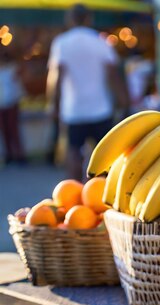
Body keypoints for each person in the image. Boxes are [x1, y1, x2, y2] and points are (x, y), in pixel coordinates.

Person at [47, 4, 128, 181]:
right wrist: (124, 101)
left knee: (73, 152)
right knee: (105, 157)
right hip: (100, 108)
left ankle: (75, 192)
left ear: (70, 19)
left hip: (73, 110)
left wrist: (53, 104)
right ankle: (102, 193)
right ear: (89, 18)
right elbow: (113, 75)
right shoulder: (100, 42)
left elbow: (57, 77)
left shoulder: (62, 43)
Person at [0, 46, 26, 165]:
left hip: (11, 103)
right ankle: (10, 154)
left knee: (13, 130)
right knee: (5, 130)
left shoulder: (13, 69)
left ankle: (19, 155)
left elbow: (18, 86)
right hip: (3, 104)